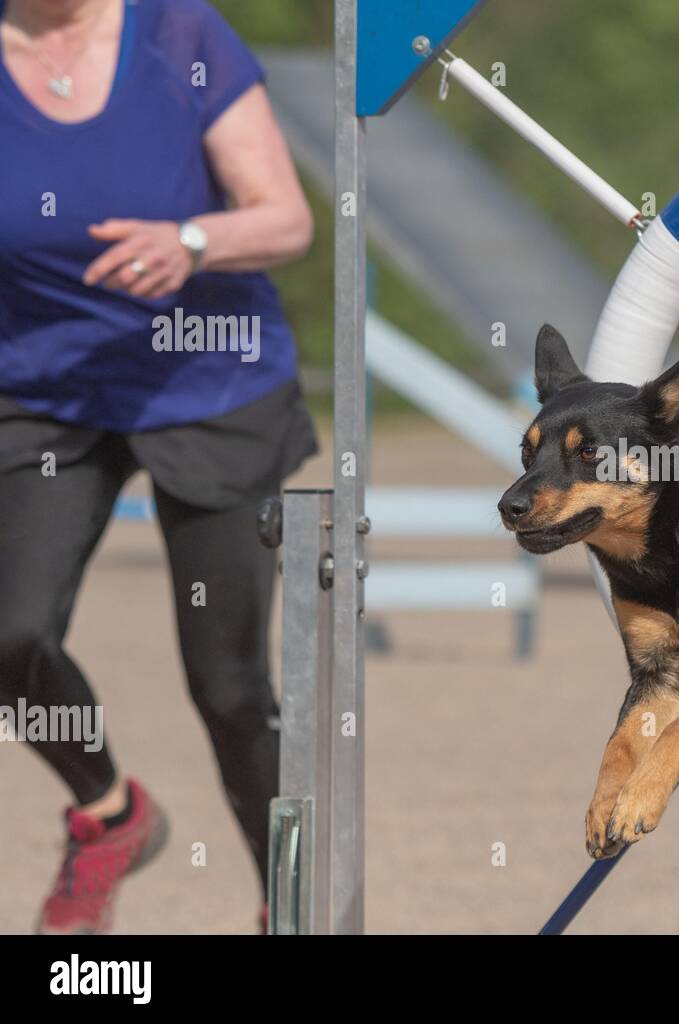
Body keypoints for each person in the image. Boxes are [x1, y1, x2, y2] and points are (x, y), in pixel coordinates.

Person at [0, 0, 317, 933]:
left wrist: (191, 242)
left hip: (208, 382)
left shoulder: (181, 37)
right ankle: (110, 816)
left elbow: (286, 219)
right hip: (45, 391)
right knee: (8, 638)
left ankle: (288, 904)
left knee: (228, 688)